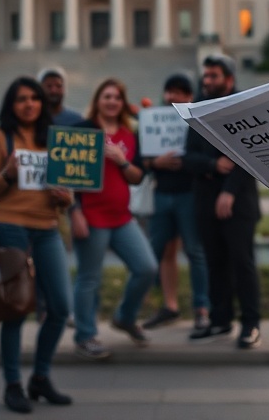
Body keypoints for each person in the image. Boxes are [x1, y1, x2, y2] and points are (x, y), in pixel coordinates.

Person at [0, 77, 74, 414]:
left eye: (34, 98)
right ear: (12, 104)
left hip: (47, 229)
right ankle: (12, 384)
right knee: (16, 309)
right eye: (21, 99)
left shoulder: (55, 140)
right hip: (11, 228)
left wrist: (65, 198)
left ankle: (40, 377)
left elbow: (68, 190)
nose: (29, 104)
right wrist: (7, 174)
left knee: (60, 307)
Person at [70, 78, 158, 359]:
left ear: (122, 103)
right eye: (106, 96)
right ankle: (85, 336)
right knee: (89, 279)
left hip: (121, 218)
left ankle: (125, 317)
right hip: (91, 216)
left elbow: (137, 177)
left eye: (117, 97)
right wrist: (74, 212)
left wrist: (122, 160)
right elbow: (65, 177)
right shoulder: (82, 130)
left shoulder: (129, 134)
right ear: (97, 100)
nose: (112, 102)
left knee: (146, 268)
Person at [183, 54, 261, 349]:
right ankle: (220, 320)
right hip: (205, 201)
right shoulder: (196, 109)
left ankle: (251, 324)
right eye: (205, 75)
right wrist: (213, 165)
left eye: (213, 75)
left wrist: (229, 191)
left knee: (242, 264)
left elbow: (249, 155)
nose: (207, 80)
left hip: (238, 201)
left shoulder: (242, 107)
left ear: (229, 79)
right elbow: (188, 157)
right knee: (215, 263)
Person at [142, 73, 211, 335]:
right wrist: (155, 163)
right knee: (163, 252)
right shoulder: (153, 119)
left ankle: (202, 309)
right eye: (169, 91)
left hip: (188, 194)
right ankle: (170, 306)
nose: (172, 96)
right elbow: (140, 158)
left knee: (195, 251)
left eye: (178, 92)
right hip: (161, 194)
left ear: (189, 96)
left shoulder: (195, 121)